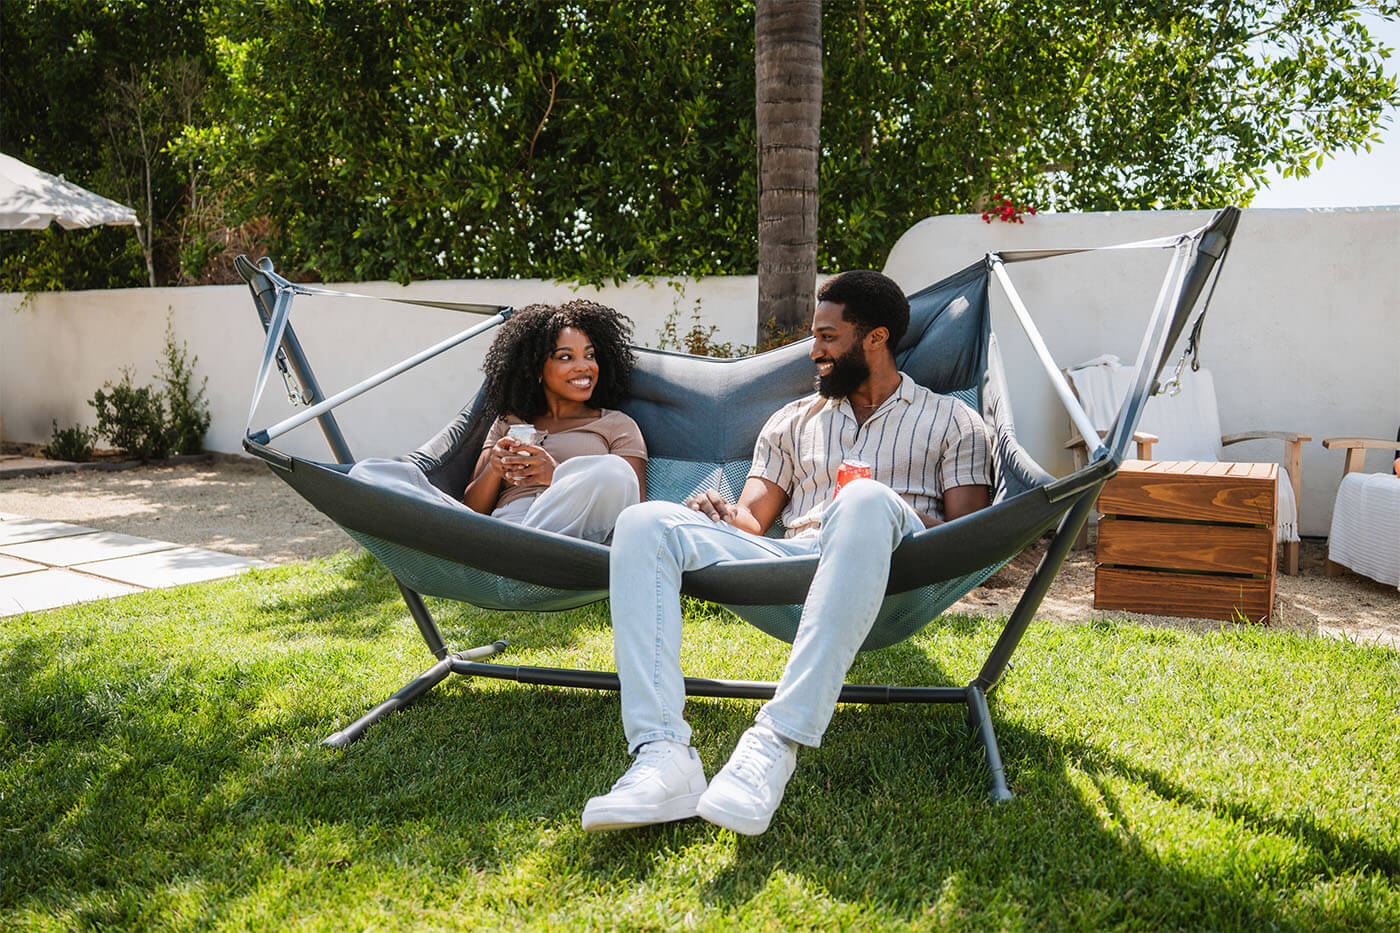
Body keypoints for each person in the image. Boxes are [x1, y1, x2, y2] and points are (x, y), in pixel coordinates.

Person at [582, 269, 993, 835]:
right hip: (795, 565)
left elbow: (968, 531)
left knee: (865, 501)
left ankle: (775, 742)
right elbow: (754, 519)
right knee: (646, 522)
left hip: (898, 566)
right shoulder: (792, 421)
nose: (814, 351)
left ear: (875, 338)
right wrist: (724, 514)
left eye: (828, 337)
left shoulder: (953, 420)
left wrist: (873, 500)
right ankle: (662, 754)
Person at [460, 300, 648, 543]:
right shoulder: (509, 421)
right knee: (401, 474)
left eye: (590, 355)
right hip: (507, 526)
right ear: (537, 368)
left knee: (615, 472)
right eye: (566, 357)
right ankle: (517, 558)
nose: (584, 367)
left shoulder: (617, 425)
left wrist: (557, 476)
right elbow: (471, 511)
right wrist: (494, 469)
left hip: (574, 541)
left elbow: (632, 508)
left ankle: (521, 560)